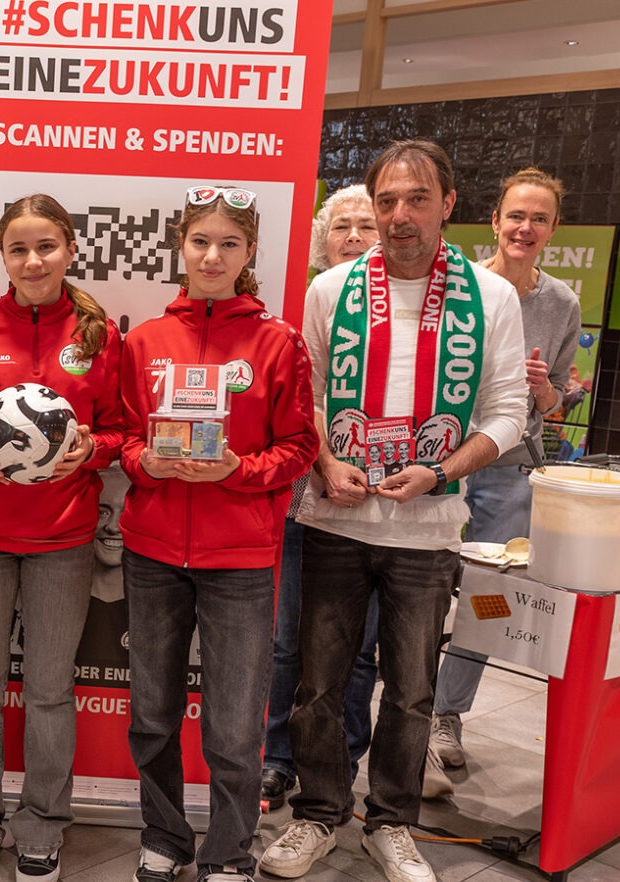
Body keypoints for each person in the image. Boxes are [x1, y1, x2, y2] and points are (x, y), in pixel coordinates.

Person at [259, 140, 527, 882]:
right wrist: (323, 458)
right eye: (386, 201)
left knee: (410, 691)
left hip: (429, 528)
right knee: (317, 683)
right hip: (335, 519)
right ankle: (316, 816)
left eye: (416, 199)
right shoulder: (331, 289)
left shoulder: (490, 295)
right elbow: (303, 400)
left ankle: (391, 823)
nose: (399, 216)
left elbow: (508, 415)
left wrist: (442, 469)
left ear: (449, 203)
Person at [120, 185, 318, 882]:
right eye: (200, 241)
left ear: (250, 253)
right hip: (152, 554)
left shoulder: (278, 342)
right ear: (180, 247)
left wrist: (238, 470)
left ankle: (229, 852)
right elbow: (119, 435)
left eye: (228, 244)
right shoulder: (143, 340)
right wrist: (139, 459)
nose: (212, 255)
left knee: (234, 730)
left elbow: (299, 447)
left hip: (240, 559)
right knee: (152, 714)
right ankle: (165, 836)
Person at [0, 194, 123, 882]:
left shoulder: (99, 335)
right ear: (3, 256)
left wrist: (92, 450)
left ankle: (43, 821)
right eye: (19, 249)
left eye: (46, 246)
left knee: (48, 691)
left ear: (70, 249)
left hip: (63, 540)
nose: (33, 260)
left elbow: (125, 431)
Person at [428, 168, 581, 773]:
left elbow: (556, 404)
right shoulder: (460, 287)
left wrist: (545, 390)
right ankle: (401, 710)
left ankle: (446, 716)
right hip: (444, 466)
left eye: (538, 219)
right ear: (495, 221)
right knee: (420, 593)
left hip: (512, 475)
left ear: (552, 229)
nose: (525, 228)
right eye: (516, 216)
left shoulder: (561, 303)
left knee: (487, 603)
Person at [262, 184, 381, 810]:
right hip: (299, 497)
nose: (355, 236)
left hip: (375, 508)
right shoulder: (294, 313)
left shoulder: (407, 320)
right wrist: (320, 468)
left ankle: (342, 758)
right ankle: (277, 758)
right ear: (320, 240)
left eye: (367, 225)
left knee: (359, 647)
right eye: (342, 226)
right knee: (286, 640)